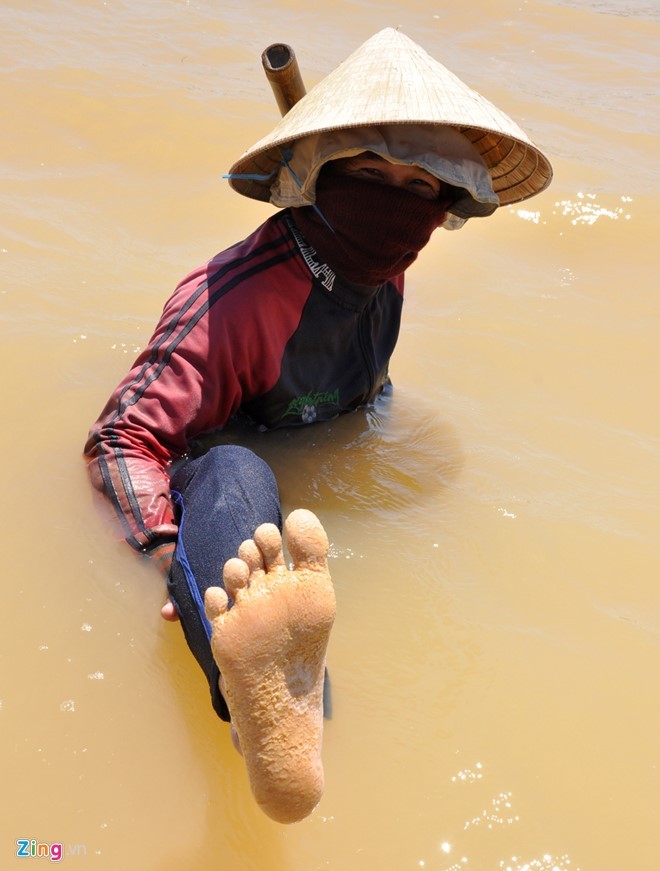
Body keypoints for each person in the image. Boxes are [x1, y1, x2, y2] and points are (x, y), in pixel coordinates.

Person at [84, 28, 552, 824]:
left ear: (444, 206)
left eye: (419, 184)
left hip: (317, 450)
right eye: (370, 175)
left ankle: (292, 698)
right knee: (236, 478)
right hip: (219, 470)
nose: (396, 200)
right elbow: (121, 439)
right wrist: (165, 551)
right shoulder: (234, 298)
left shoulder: (385, 268)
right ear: (321, 181)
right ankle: (272, 708)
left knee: (299, 547)